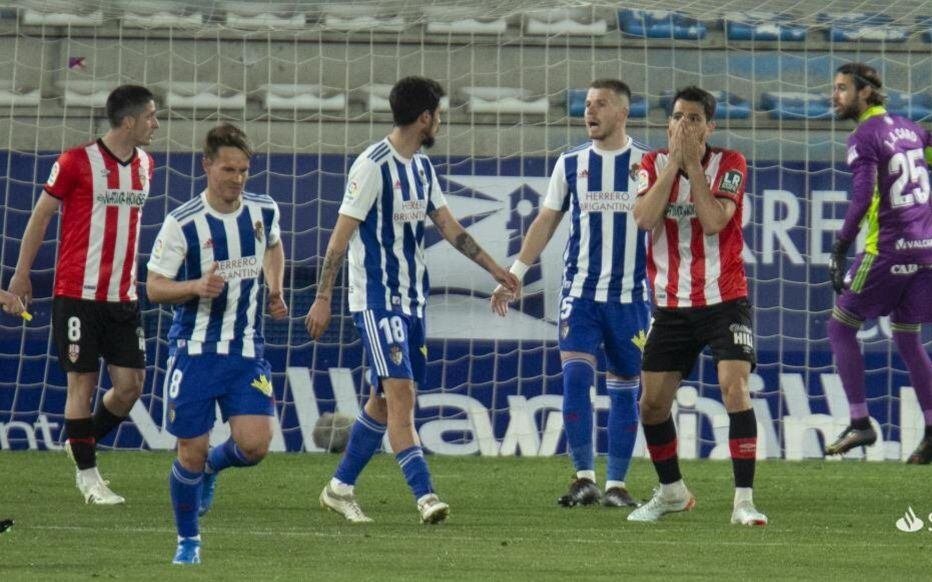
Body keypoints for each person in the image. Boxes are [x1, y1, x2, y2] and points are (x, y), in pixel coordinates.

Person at [305, 76, 517, 525]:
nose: (439, 121)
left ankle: (339, 488)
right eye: (438, 113)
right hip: (378, 301)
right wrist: (323, 297)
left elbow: (449, 227)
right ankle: (425, 497)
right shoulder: (371, 166)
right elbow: (339, 239)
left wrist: (497, 270)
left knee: (383, 402)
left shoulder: (421, 167)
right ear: (425, 117)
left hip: (412, 301)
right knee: (402, 400)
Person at [491, 79, 649, 508]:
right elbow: (545, 219)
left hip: (632, 299)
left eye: (600, 104)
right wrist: (517, 272)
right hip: (579, 295)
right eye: (586, 104)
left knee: (624, 389)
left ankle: (616, 484)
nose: (588, 111)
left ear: (622, 113)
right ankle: (583, 477)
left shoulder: (649, 163)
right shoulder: (571, 163)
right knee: (576, 377)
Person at [7, 84, 159, 505]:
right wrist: (22, 275)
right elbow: (40, 217)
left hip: (123, 296)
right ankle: (89, 477)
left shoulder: (146, 164)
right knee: (83, 384)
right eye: (150, 116)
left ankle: (80, 442)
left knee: (131, 386)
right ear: (127, 121)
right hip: (77, 293)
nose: (156, 124)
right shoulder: (76, 162)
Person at [146, 124, 289, 565]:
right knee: (189, 449)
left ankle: (213, 466)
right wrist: (195, 285)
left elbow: (274, 247)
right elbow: (153, 288)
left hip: (246, 351)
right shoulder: (182, 222)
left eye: (244, 170)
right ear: (207, 165)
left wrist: (275, 287)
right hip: (195, 352)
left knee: (255, 446)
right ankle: (188, 541)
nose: (238, 178)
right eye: (229, 169)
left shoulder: (263, 209)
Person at [629, 86, 766, 526]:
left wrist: (693, 167)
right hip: (670, 305)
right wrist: (675, 165)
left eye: (693, 119)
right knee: (651, 405)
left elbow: (712, 221)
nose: (683, 125)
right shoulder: (648, 164)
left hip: (724, 299)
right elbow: (645, 219)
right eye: (676, 117)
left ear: (710, 126)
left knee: (735, 388)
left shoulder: (731, 164)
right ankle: (672, 492)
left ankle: (743, 501)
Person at [824, 63, 932, 463]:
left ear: (866, 93)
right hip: (927, 251)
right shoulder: (913, 129)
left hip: (888, 249)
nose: (834, 96)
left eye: (841, 89)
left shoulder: (864, 136)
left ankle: (860, 422)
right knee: (907, 338)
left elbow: (862, 195)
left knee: (840, 327)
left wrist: (840, 246)